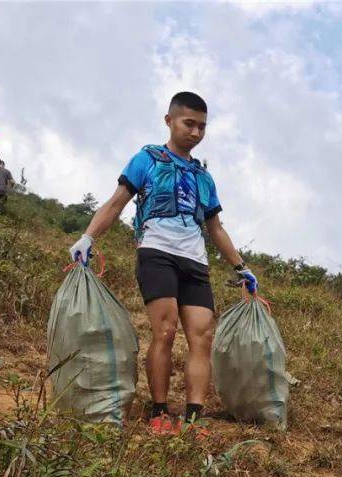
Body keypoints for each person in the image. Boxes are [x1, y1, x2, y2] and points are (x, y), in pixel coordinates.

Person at [69, 91, 257, 437]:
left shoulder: (204, 178)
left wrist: (240, 266)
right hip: (156, 252)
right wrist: (88, 237)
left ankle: (194, 416)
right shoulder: (147, 159)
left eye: (202, 127)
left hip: (195, 261)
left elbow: (215, 228)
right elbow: (116, 203)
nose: (196, 133)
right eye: (189, 124)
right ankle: (159, 411)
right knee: (166, 330)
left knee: (202, 336)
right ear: (169, 120)